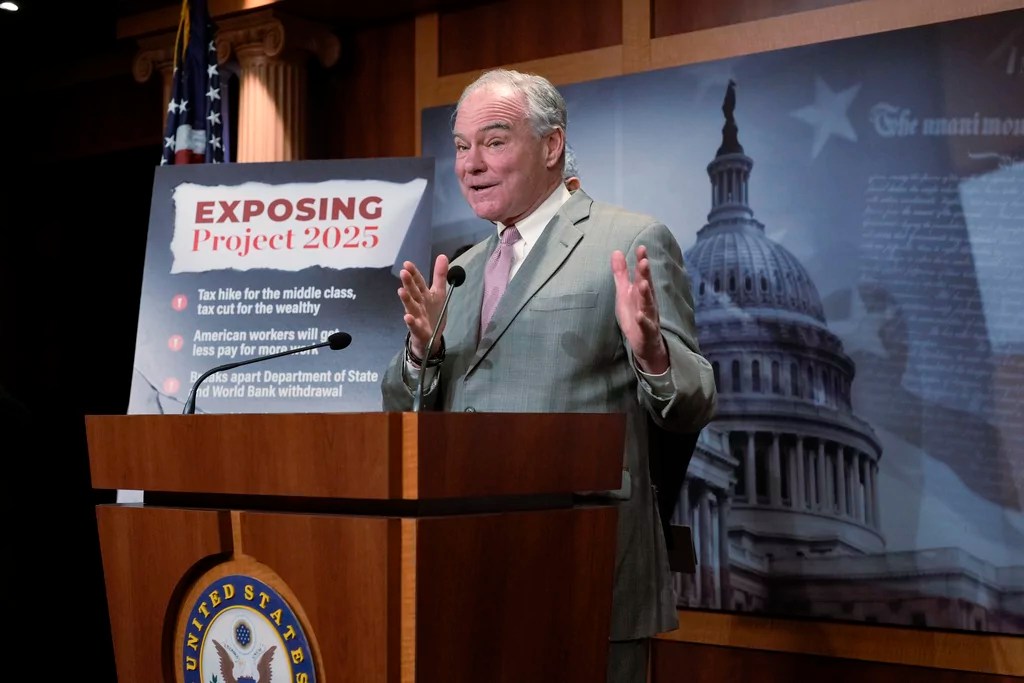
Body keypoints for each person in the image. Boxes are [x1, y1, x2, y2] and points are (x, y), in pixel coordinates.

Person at [380, 67, 716, 683]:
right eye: (460, 147)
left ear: (552, 144)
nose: (470, 163)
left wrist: (652, 354)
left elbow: (692, 403)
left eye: (495, 141)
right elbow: (400, 415)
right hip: (467, 574)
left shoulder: (629, 240)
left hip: (586, 571)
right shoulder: (458, 270)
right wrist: (420, 354)